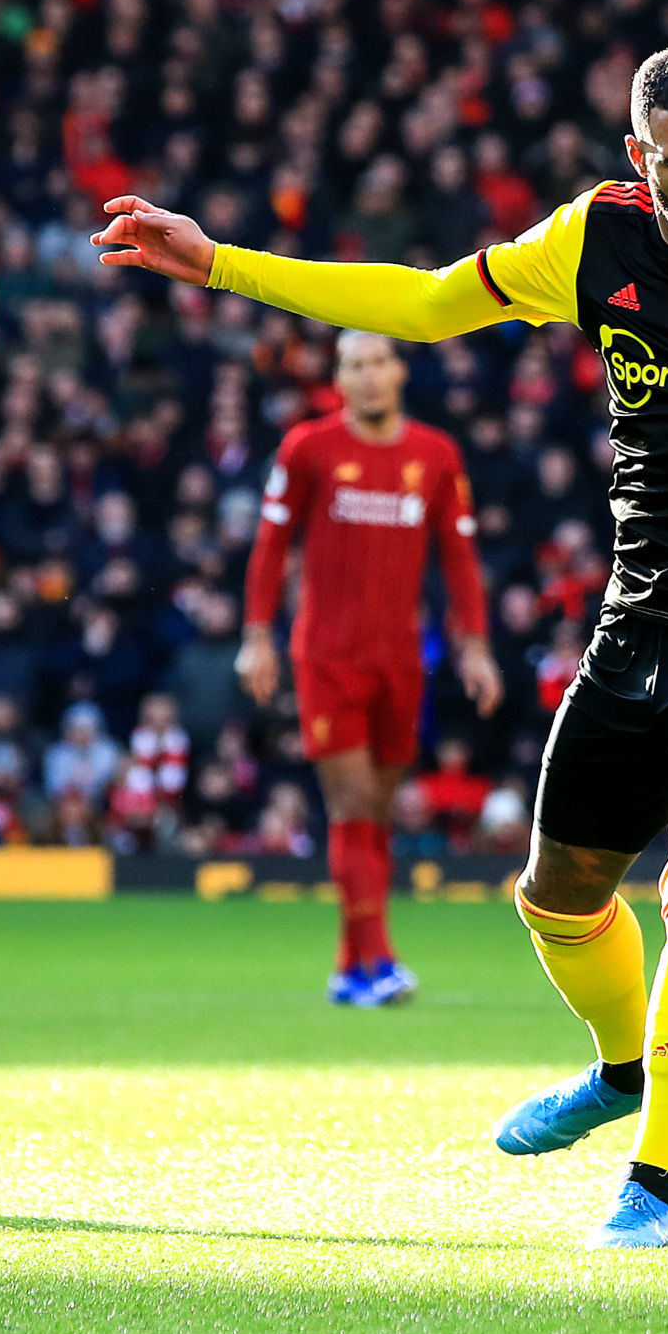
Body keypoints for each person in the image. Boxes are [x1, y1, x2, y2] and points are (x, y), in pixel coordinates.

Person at [93, 43, 668, 1247]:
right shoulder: (593, 237)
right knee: (555, 898)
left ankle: (652, 1187)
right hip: (639, 625)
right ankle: (619, 1072)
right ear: (636, 156)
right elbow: (430, 302)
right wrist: (221, 264)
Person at [237, 330, 500, 1007]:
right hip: (326, 655)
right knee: (352, 804)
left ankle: (347, 968)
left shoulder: (436, 455)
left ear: (399, 372)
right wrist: (256, 636)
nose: (371, 376)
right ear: (340, 379)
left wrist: (474, 646)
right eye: (356, 366)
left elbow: (460, 555)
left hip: (400, 658)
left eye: (380, 362)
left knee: (375, 813)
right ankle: (379, 962)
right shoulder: (308, 448)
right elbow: (271, 544)